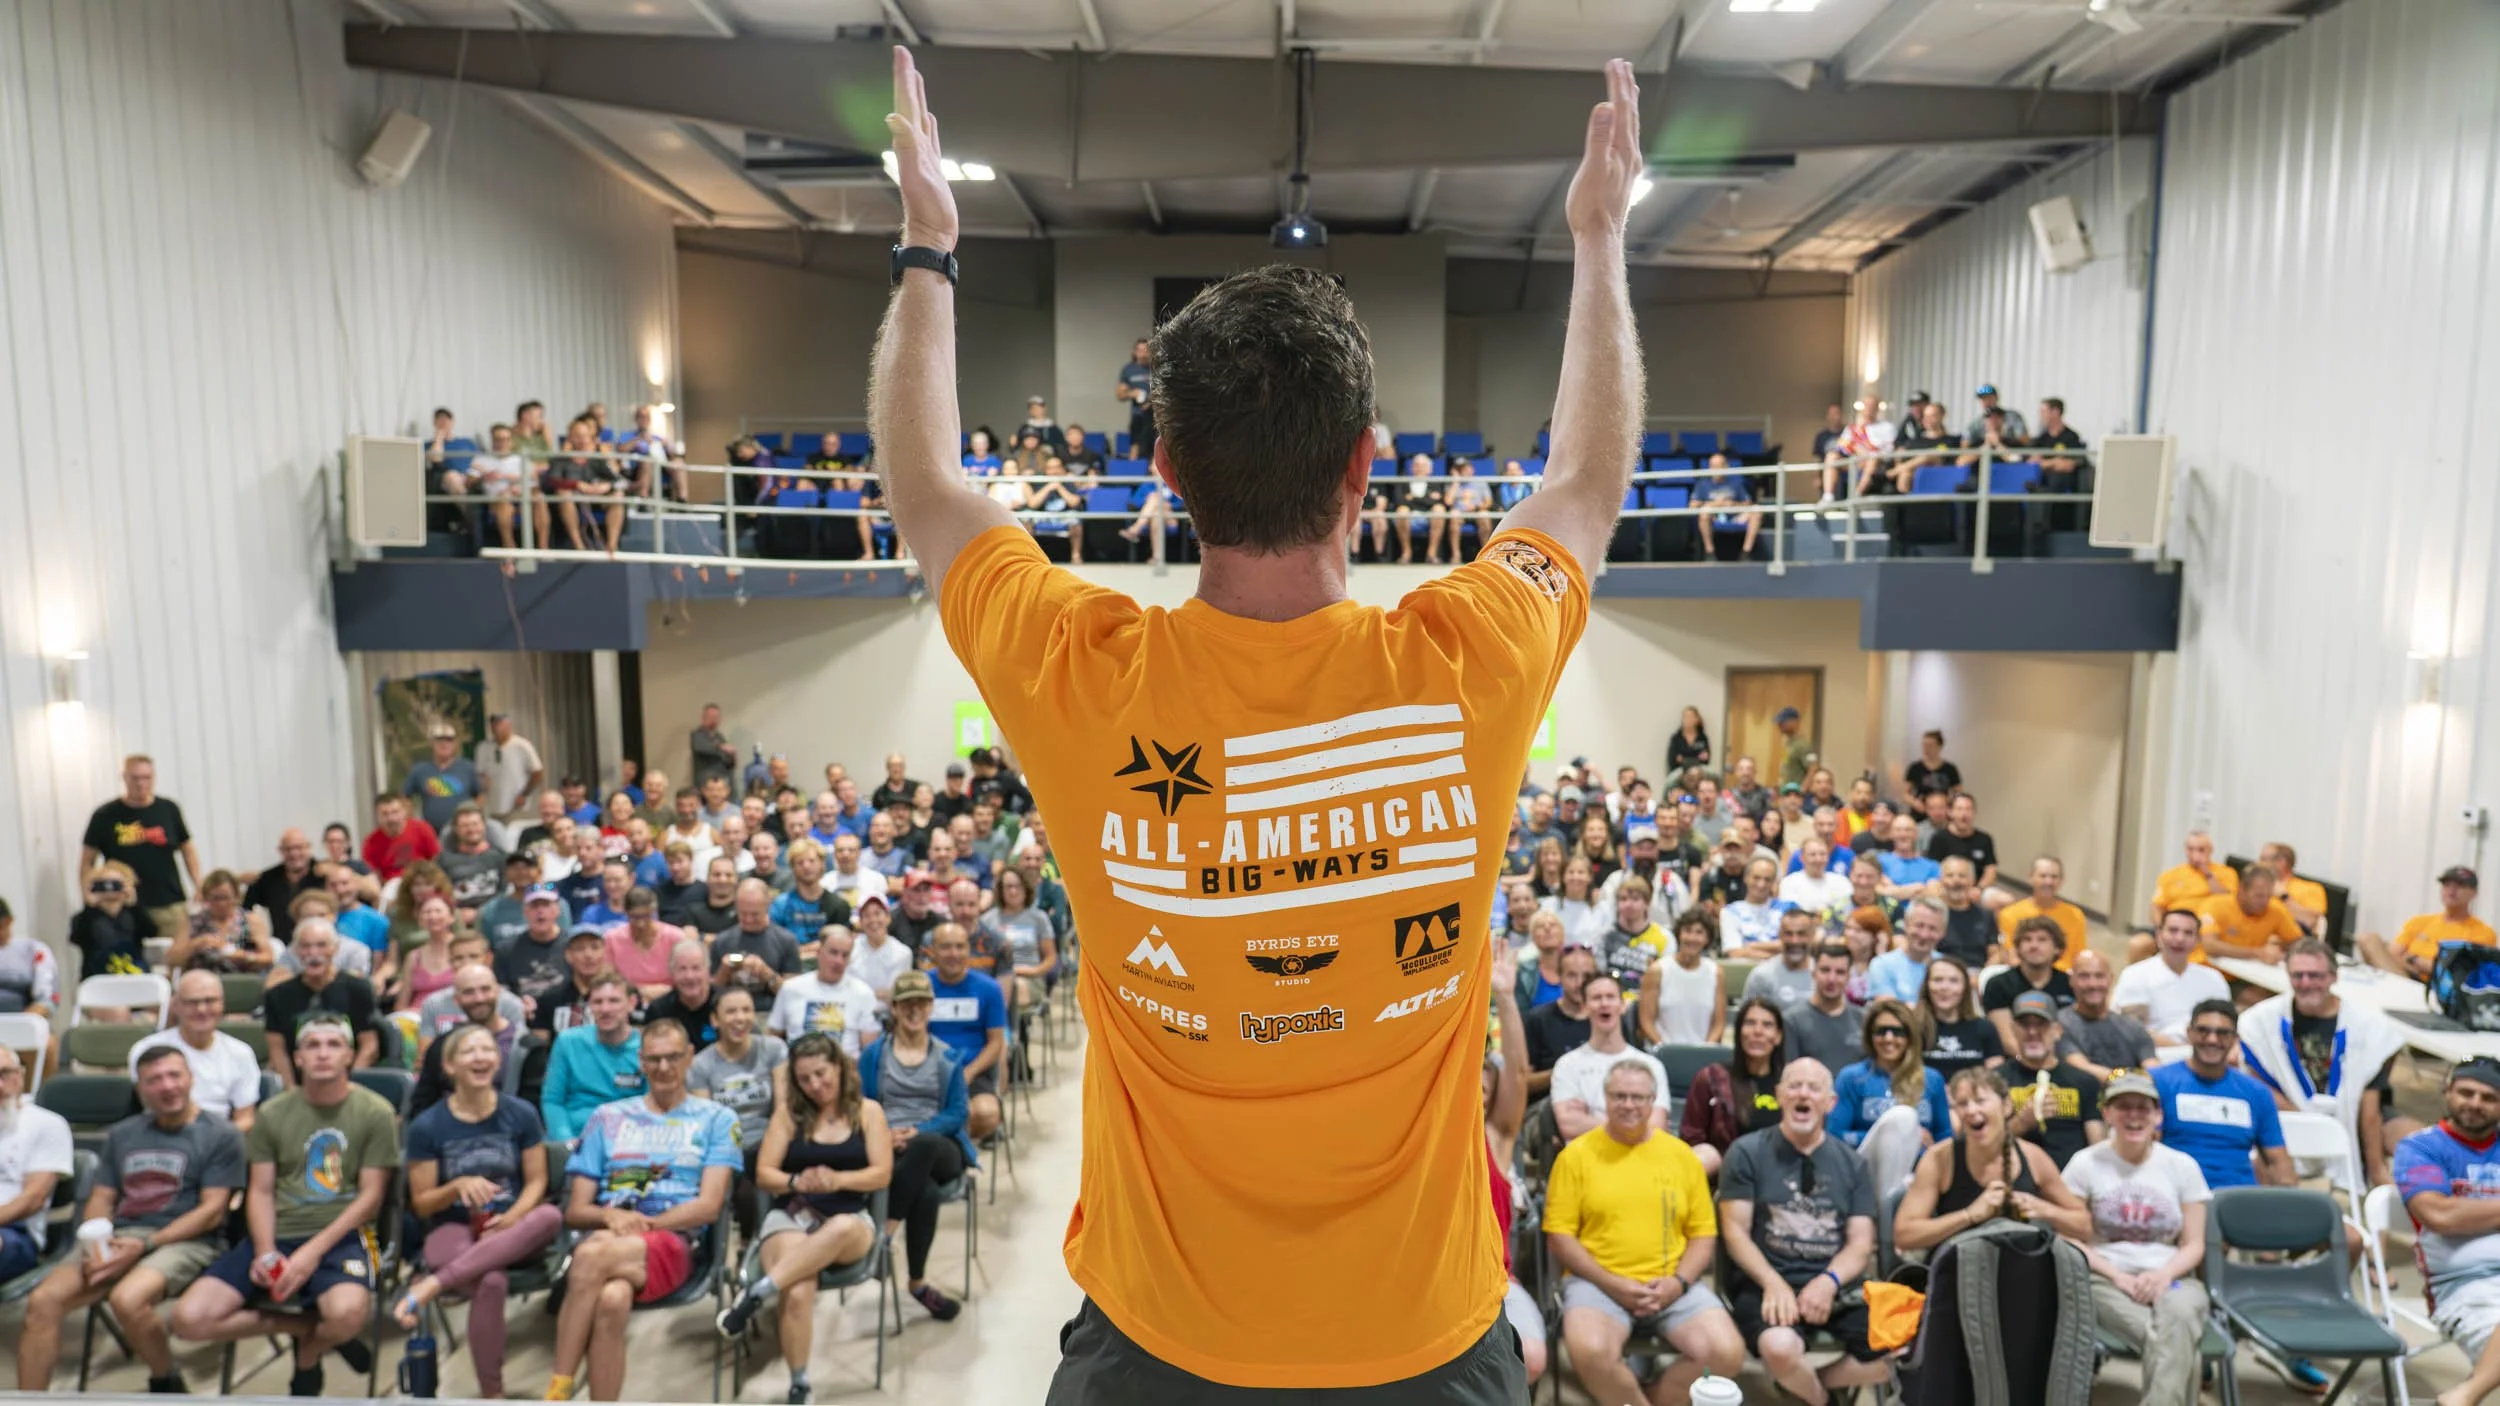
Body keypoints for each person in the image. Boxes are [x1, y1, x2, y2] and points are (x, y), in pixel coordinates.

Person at [883, 47, 1637, 1398]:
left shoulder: (1077, 670)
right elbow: (1584, 481)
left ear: (1163, 469)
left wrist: (930, 246)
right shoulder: (1472, 652)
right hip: (1422, 1347)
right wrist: (1597, 235)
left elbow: (929, 490)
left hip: (1161, 1348)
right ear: (1366, 465)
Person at [169, 1018, 399, 1397]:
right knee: (189, 1320)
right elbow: (260, 1191)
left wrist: (310, 1254)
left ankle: (308, 1353)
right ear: (296, 1058)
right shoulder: (273, 1113)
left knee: (346, 1316)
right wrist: (265, 1252)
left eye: (333, 1045)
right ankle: (302, 1329)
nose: (323, 1053)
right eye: (312, 1046)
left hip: (344, 1235)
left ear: (349, 1056)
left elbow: (371, 1197)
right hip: (276, 1233)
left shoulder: (376, 1112)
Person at [18, 1044, 244, 1391]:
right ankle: (29, 1399)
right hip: (121, 1235)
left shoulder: (221, 1134)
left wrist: (144, 1244)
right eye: (154, 1080)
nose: (167, 1086)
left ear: (190, 1079)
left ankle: (165, 1380)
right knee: (43, 1301)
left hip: (186, 1240)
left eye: (174, 1076)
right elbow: (102, 1198)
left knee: (128, 1299)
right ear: (140, 1088)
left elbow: (212, 1211)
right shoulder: (123, 1134)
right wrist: (100, 1241)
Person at [545, 1019, 742, 1403]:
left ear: (689, 1058)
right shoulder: (607, 1117)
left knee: (588, 1255)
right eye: (654, 1059)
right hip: (611, 1236)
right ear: (641, 1062)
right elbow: (576, 1209)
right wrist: (610, 1217)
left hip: (675, 1241)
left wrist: (644, 1223)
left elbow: (708, 1206)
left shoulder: (717, 1119)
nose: (664, 1068)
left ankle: (558, 1389)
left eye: (672, 1058)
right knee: (612, 1300)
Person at [1543, 1058, 1746, 1406]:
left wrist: (1678, 1283)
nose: (1629, 1105)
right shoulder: (1574, 1157)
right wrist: (1613, 1283)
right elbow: (1560, 1236)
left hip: (1672, 1283)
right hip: (1596, 1283)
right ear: (1604, 1099)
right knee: (1590, 1351)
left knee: (1727, 1352)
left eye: (1638, 1097)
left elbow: (1702, 1235)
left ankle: (1647, 1399)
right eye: (1619, 1096)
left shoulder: (1681, 1156)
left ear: (1653, 1102)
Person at [716, 1033, 894, 1404]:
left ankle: (758, 1292)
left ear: (840, 1068)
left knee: (842, 1227)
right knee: (797, 1289)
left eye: (821, 1074)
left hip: (848, 1218)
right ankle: (800, 1383)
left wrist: (837, 1179)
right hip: (794, 1214)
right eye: (805, 1079)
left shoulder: (868, 1111)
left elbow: (881, 1174)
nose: (815, 1085)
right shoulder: (789, 1115)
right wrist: (797, 1180)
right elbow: (764, 1174)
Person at [392, 1024, 560, 1399]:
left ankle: (434, 1284)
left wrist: (514, 1216)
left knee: (550, 1217)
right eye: (469, 1051)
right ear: (449, 1066)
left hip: (512, 1227)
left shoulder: (521, 1113)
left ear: (498, 1061)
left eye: (487, 1050)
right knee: (492, 1281)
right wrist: (455, 1186)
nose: (481, 1057)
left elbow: (536, 1182)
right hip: (454, 1226)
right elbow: (422, 1202)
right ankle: (492, 1395)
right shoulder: (428, 1126)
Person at [1718, 1059, 1894, 1405]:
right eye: (1795, 1086)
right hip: (1767, 1281)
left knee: (1906, 1348)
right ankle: (1824, 1401)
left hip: (1835, 1284)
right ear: (1780, 1095)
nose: (1803, 1094)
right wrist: (1772, 1283)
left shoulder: (1852, 1164)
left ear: (1830, 1103)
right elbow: (1734, 1232)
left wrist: (1828, 1281)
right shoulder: (1746, 1152)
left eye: (1814, 1088)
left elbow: (1860, 1244)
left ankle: (1812, 1385)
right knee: (1779, 1348)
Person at [2063, 1068, 2212, 1406]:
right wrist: (2118, 1276)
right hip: (2103, 1279)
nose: (2133, 1115)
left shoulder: (2182, 1165)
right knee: (2175, 1343)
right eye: (2123, 1106)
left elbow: (2194, 1244)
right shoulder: (2084, 1163)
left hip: (2173, 1279)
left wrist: (2162, 1276)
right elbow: (2069, 1239)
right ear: (2107, 1114)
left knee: (2176, 1326)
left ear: (2158, 1115)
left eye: (2143, 1107)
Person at [2240, 937, 2413, 1186]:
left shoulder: (2368, 1026)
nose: (2306, 983)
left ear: (2334, 977)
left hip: (2353, 1115)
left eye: (2315, 976)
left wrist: (2376, 1170)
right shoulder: (2261, 1021)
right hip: (2287, 1115)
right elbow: (2257, 1085)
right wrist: (2310, 1123)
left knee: (2415, 1138)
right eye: (2298, 975)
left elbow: (2370, 1108)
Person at [858, 970, 973, 1321]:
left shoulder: (947, 1056)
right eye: (907, 1003)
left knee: (922, 1145)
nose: (914, 1010)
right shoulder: (874, 1056)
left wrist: (917, 1130)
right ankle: (918, 1284)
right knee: (925, 1193)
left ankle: (883, 1235)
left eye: (921, 1003)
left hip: (940, 1148)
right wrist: (882, 1134)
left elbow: (957, 1112)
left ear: (930, 1007)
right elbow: (862, 1105)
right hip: (889, 1148)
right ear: (894, 1008)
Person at [2391, 1059, 2500, 1406]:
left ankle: (2463, 1396)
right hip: (2463, 1287)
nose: (2475, 1103)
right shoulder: (2421, 1147)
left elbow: (2456, 1212)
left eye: (2488, 1097)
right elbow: (2440, 1215)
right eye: (2466, 1092)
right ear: (2447, 1093)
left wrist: (2474, 1213)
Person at [1891, 1066, 2090, 1255]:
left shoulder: (2033, 1156)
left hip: (2022, 1268)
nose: (1970, 1110)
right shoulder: (1940, 1157)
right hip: (1960, 1269)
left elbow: (2083, 1225)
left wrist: (2044, 1210)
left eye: (1980, 1101)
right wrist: (1969, 1215)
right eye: (1962, 1104)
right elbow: (1904, 1235)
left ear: (2006, 1106)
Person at [2154, 1000, 2294, 1192]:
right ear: (2190, 1033)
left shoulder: (2256, 1093)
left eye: (2222, 1033)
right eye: (2203, 1030)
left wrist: (2291, 1209)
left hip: (2239, 1202)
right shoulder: (2159, 1082)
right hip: (2176, 1195)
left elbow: (2278, 1160)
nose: (2212, 1039)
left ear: (2235, 1039)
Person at [82, 754, 205, 940]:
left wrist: (199, 884)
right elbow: (87, 861)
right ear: (124, 778)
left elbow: (187, 850)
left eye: (146, 778)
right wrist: (88, 896)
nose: (141, 784)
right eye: (135, 778)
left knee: (174, 953)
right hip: (125, 904)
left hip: (169, 902)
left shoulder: (168, 809)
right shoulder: (105, 815)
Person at [132, 969, 263, 1128]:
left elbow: (245, 1118)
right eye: (192, 1002)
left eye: (210, 1001)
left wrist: (217, 1142)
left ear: (222, 1004)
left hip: (219, 1139)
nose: (201, 1009)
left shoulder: (241, 1053)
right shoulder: (147, 1049)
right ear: (176, 1005)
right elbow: (149, 1108)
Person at [1548, 973, 1668, 1141]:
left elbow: (1657, 1127)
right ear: (1584, 1007)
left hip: (1640, 1160)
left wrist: (1590, 1120)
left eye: (1610, 997)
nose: (1604, 1004)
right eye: (1596, 998)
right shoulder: (1567, 1065)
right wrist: (1633, 1123)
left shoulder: (1651, 1065)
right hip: (1588, 1159)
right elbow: (1569, 1125)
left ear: (1623, 1005)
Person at [262, 919, 381, 1081]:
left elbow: (369, 1045)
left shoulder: (358, 989)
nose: (313, 953)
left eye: (321, 945)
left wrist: (348, 1085)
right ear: (296, 951)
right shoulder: (277, 995)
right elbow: (277, 1050)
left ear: (335, 949)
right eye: (305, 946)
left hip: (347, 1081)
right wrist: (290, 1092)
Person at [1680, 998, 1788, 1170]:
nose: (1757, 1031)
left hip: (1779, 1175)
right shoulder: (1710, 1079)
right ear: (1739, 1032)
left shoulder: (1791, 1083)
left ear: (1778, 1036)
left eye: (1767, 1025)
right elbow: (1691, 1138)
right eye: (1750, 1023)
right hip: (1727, 1176)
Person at [922, 924, 1007, 1143]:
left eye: (960, 947)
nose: (954, 954)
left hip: (973, 1072)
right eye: (946, 947)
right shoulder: (921, 986)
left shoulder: (989, 989)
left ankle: (958, 1153)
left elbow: (996, 1043)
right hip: (927, 1072)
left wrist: (968, 1073)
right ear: (932, 951)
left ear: (968, 950)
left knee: (986, 1113)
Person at [687, 985, 788, 1168]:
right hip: (723, 1146)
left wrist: (770, 1149)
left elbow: (783, 1109)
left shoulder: (775, 1049)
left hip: (769, 1140)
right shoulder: (699, 1064)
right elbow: (706, 1122)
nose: (740, 1018)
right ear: (715, 1020)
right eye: (731, 1012)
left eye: (746, 1010)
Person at [539, 973, 646, 1143]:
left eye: (614, 1001)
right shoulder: (568, 1042)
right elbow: (552, 1101)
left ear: (631, 1003)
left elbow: (652, 1107)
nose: (605, 1009)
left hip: (629, 1141)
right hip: (576, 1138)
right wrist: (565, 1140)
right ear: (589, 1005)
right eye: (598, 1002)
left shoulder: (646, 1048)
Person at [2002, 991, 2104, 1167]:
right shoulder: (1995, 1080)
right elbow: (1983, 1146)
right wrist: (2021, 1123)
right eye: (2024, 1025)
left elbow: (2098, 1148)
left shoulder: (2085, 1082)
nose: (2033, 1032)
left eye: (2041, 1024)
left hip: (2071, 1180)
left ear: (2057, 1031)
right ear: (2013, 1030)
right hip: (2017, 1178)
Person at [0, 1044, 72, 1286]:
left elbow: (33, 1199)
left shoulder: (46, 1124)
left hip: (15, 1234)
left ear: (20, 1076)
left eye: (4, 1074)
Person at [2115, 908, 2232, 1053]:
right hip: (2153, 1054)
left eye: (2188, 933)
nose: (2180, 939)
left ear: (2197, 941)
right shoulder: (2135, 975)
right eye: (2173, 930)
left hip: (2206, 1056)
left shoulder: (2213, 979)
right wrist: (2185, 1050)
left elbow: (2226, 1026)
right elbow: (2132, 1031)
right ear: (2158, 935)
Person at [2360, 864, 2496, 981]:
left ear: (2474, 893)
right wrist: (2420, 963)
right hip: (2403, 975)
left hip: (2435, 986)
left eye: (2460, 885)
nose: (2451, 890)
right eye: (2447, 885)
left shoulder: (2481, 932)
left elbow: (2458, 971)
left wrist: (2413, 959)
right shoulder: (2420, 922)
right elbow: (2393, 953)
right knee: (2368, 938)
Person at [769, 926, 882, 1058]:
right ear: (818, 952)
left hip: (845, 1070)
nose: (839, 961)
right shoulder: (791, 989)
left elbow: (870, 1052)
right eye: (833, 953)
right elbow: (772, 1036)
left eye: (845, 955)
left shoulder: (863, 993)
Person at [2058, 950, 2156, 1082]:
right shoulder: (2059, 1024)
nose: (2092, 984)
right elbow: (2081, 1068)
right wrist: (2131, 1081)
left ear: (2111, 979)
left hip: (2132, 1097)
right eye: (2084, 976)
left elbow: (2153, 1069)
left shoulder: (2133, 1026)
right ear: (2071, 980)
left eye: (2099, 976)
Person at [1980, 916, 2074, 1051]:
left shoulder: (2070, 984)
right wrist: (2035, 1062)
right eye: (2027, 939)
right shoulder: (1998, 984)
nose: (2034, 945)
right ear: (2018, 947)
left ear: (2057, 948)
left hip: (2061, 1058)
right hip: (2015, 1061)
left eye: (2042, 940)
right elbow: (2007, 1040)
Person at [1639, 911, 1724, 1048]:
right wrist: (1665, 1049)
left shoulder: (1716, 972)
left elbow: (1719, 1024)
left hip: (1703, 1056)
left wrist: (1706, 1051)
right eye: (1688, 931)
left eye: (1699, 932)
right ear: (1679, 934)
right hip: (1664, 1052)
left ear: (1707, 939)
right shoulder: (1657, 970)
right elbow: (1646, 1021)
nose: (1692, 938)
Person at [1523, 944, 1597, 1095]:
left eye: (1587, 976)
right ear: (1559, 977)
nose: (1579, 983)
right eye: (1571, 975)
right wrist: (1565, 1069)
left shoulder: (1605, 1017)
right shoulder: (1537, 1019)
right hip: (1548, 1106)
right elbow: (1523, 1083)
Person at [715, 879, 806, 1000]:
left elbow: (794, 995)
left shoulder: (786, 941)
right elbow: (711, 994)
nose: (748, 919)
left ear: (767, 906)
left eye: (755, 914)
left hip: (770, 1012)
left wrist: (767, 975)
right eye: (743, 913)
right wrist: (724, 972)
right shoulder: (722, 941)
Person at [2196, 862, 2302, 964]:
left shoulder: (2275, 909)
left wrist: (2279, 947)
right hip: (2208, 970)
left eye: (2269, 896)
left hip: (2248, 975)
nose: (2265, 901)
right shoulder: (2214, 905)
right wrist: (2258, 952)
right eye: (2259, 896)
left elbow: (2298, 942)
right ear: (2242, 890)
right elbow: (2209, 945)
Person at [1992, 856, 2087, 969]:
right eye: (2043, 876)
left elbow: (2080, 957)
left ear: (2062, 881)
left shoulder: (2075, 915)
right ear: (2031, 877)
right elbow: (2011, 956)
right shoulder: (2010, 914)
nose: (2048, 881)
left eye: (2054, 877)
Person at [1916, 955, 2000, 1080]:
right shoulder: (1915, 1027)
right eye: (1938, 980)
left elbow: (1995, 1078)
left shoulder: (1984, 1028)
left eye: (1953, 981)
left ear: (1965, 988)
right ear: (1927, 986)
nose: (1945, 987)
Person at [1784, 942, 1865, 1071]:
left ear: (1849, 977)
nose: (1831, 979)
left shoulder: (1863, 1020)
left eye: (1840, 972)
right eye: (1825, 970)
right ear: (1813, 973)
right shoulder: (1792, 1021)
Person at [2145, 830, 2237, 930]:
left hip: (2208, 927)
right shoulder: (2170, 875)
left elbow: (2229, 903)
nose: (2195, 854)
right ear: (2185, 850)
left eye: (2201, 850)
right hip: (2176, 926)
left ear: (2210, 850)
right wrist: (2161, 930)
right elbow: (2156, 906)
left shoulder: (2227, 873)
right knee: (2139, 944)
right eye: (2191, 849)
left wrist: (2207, 874)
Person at [645, 937, 724, 1050]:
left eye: (696, 968)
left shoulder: (726, 1004)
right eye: (682, 969)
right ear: (672, 973)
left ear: (708, 971)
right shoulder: (659, 1011)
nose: (689, 976)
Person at [1865, 896, 1944, 1004]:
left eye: (1932, 928)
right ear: (1905, 925)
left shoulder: (1947, 968)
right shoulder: (1882, 965)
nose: (1924, 935)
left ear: (1943, 932)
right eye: (1919, 926)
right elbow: (1889, 1010)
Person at [1743, 909, 1820, 1009]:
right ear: (1780, 935)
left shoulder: (1824, 975)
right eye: (1789, 934)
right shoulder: (1762, 975)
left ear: (1812, 936)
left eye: (1801, 934)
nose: (1794, 941)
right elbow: (1748, 1019)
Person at [1923, 792, 1999, 893]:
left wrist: (1979, 888)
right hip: (1946, 888)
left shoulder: (1985, 839)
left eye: (1968, 809)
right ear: (1950, 812)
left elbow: (1991, 869)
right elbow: (1933, 869)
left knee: (2002, 899)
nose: (1964, 814)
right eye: (1959, 809)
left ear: (1974, 812)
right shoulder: (1939, 838)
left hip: (1976, 890)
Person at [362, 793, 441, 884]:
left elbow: (436, 859)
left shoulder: (422, 829)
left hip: (422, 881)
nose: (391, 818)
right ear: (377, 816)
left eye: (395, 812)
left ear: (404, 812)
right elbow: (373, 875)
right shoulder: (371, 842)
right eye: (385, 814)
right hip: (391, 886)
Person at [690, 703, 737, 792]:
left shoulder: (720, 737)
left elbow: (728, 760)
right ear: (703, 718)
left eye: (716, 717)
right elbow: (701, 747)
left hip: (723, 783)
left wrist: (732, 756)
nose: (713, 720)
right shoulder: (697, 734)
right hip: (706, 784)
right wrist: (722, 747)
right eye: (710, 717)